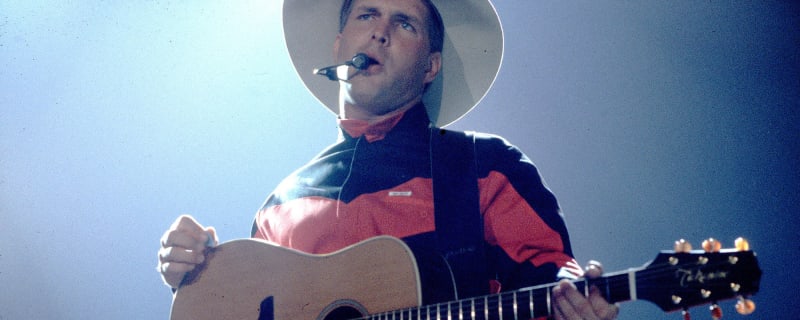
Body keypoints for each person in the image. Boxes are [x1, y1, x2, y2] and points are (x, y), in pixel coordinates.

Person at [158, 0, 619, 319]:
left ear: (430, 67)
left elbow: (552, 275)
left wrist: (575, 299)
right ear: (339, 45)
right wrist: (198, 275)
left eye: (404, 23)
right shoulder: (280, 204)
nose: (379, 30)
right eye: (367, 14)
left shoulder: (485, 165)